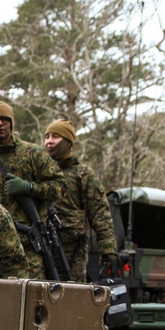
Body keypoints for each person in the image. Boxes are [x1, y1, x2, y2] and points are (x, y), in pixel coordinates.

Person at [0, 101, 66, 279]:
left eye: (4, 120)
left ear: (11, 124)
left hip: (27, 247)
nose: (0, 124)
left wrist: (29, 187)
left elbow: (60, 187)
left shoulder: (33, 154)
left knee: (30, 299)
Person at [43, 119, 118, 282]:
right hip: (41, 246)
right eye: (47, 136)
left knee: (72, 294)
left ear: (68, 141)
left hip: (72, 251)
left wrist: (107, 248)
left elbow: (99, 213)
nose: (49, 141)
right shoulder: (39, 171)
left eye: (55, 136)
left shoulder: (83, 174)